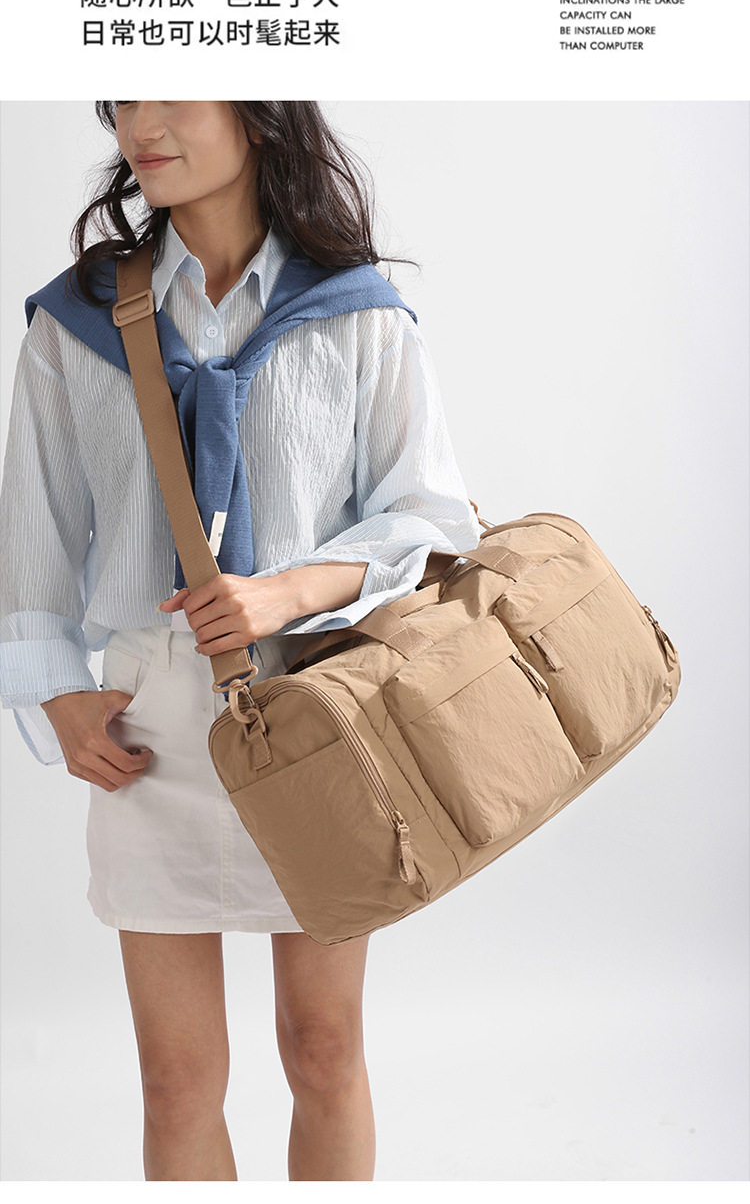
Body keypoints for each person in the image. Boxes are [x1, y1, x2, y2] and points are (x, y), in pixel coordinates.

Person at [0, 101, 482, 1181]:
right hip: (150, 731)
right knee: (176, 1081)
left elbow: (432, 515)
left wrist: (289, 593)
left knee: (323, 1049)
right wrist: (58, 692)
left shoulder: (356, 312)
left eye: (178, 88)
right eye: (125, 96)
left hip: (321, 712)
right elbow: (31, 526)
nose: (142, 123)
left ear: (259, 113)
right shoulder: (77, 321)